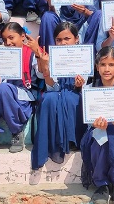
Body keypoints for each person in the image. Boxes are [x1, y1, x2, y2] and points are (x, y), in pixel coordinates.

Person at [80, 46, 114, 204]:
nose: (106, 69)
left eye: (111, 65)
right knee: (101, 137)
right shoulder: (89, 89)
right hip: (95, 132)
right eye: (103, 65)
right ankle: (102, 185)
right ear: (97, 67)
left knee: (113, 134)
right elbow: (89, 119)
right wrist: (97, 125)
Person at [31, 22, 86, 169]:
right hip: (56, 93)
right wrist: (46, 68)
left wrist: (79, 85)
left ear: (76, 39)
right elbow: (51, 87)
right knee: (48, 98)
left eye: (67, 39)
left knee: (69, 98)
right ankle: (53, 144)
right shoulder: (49, 57)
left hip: (76, 93)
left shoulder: (84, 56)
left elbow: (87, 86)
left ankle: (72, 140)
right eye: (59, 40)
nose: (63, 43)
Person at [0, 22, 40, 154]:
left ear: (23, 36)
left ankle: (16, 131)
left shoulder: (31, 52)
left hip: (25, 94)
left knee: (4, 89)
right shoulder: (2, 54)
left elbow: (40, 74)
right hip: (5, 92)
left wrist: (38, 53)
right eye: (5, 39)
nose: (8, 42)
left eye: (12, 38)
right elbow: (0, 80)